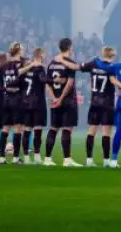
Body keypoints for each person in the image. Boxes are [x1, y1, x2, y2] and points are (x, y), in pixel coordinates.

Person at [76, 46, 118, 167]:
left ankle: (89, 160)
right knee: (106, 132)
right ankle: (106, 161)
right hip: (107, 103)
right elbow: (114, 81)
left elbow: (79, 67)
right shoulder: (112, 67)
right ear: (112, 55)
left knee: (91, 131)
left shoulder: (94, 64)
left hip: (94, 101)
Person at [43, 39, 78, 167]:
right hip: (67, 100)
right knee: (67, 129)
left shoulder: (51, 64)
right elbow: (69, 83)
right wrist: (62, 99)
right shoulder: (69, 62)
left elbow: (47, 83)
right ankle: (67, 160)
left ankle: (47, 158)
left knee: (53, 128)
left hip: (55, 100)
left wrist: (54, 98)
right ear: (70, 47)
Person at [17, 48, 48, 164]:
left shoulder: (26, 69)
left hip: (26, 102)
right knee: (38, 130)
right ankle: (37, 156)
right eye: (44, 54)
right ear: (40, 55)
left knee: (27, 130)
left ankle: (25, 157)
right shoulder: (40, 68)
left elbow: (18, 77)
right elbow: (43, 80)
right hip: (38, 102)